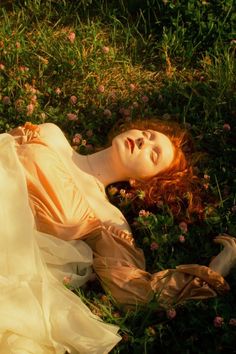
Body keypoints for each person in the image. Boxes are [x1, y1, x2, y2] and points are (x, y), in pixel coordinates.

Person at [0, 120, 235, 353]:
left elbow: (136, 292)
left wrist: (213, 272)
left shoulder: (109, 220)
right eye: (147, 133)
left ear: (144, 182)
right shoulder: (49, 134)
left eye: (153, 154)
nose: (144, 140)